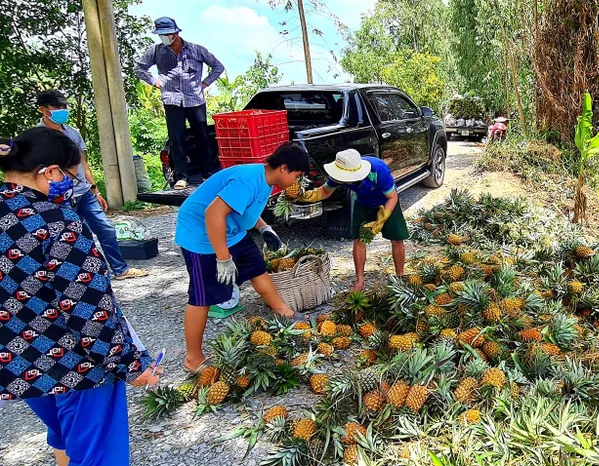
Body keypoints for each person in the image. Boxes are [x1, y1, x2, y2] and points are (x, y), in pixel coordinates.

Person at [0, 128, 160, 466]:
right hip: (77, 365)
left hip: (19, 361)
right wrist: (131, 366)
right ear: (50, 172)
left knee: (64, 436)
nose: (74, 184)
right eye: (72, 176)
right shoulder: (59, 224)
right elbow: (89, 312)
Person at [176, 142, 307, 372]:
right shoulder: (248, 180)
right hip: (201, 235)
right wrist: (223, 258)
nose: (296, 183)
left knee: (256, 267)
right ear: (284, 168)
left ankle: (282, 310)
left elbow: (243, 208)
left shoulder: (266, 180)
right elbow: (213, 213)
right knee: (202, 295)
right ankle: (193, 358)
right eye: (297, 176)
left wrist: (265, 228)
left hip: (231, 231)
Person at [36, 90, 150, 281]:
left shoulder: (72, 133)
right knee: (72, 237)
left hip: (84, 192)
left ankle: (120, 269)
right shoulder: (36, 137)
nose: (62, 110)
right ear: (43, 110)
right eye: (57, 107)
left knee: (105, 228)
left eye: (64, 106)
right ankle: (79, 276)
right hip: (59, 196)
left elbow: (84, 163)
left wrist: (95, 190)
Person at [135, 16, 224, 190]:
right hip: (172, 100)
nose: (165, 37)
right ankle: (182, 177)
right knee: (177, 140)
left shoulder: (196, 50)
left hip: (195, 99)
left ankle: (208, 173)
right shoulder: (155, 51)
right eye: (161, 34)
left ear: (176, 32)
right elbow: (139, 68)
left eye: (168, 33)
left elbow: (218, 67)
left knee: (202, 137)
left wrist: (205, 83)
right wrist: (154, 82)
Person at [300, 149, 407, 292]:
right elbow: (325, 191)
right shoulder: (339, 173)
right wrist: (306, 196)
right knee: (358, 239)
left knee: (397, 239)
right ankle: (360, 282)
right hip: (362, 204)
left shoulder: (378, 170)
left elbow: (392, 197)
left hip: (386, 202)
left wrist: (381, 219)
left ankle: (400, 277)